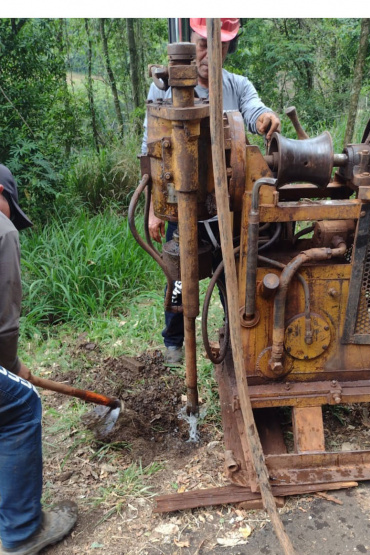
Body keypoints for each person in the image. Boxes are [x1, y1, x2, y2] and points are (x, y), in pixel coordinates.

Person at [141, 18, 281, 364]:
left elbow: (253, 110)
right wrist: (152, 209)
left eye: (218, 47)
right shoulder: (164, 89)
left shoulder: (237, 86)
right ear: (190, 42)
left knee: (229, 271)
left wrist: (263, 119)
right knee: (178, 277)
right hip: (180, 202)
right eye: (203, 44)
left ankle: (238, 335)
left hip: (225, 205)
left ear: (228, 48)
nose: (209, 54)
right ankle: (175, 343)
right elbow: (151, 149)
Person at [0, 155, 77, 554]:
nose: (10, 223)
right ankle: (24, 531)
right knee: (18, 408)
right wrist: (11, 369)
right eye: (11, 213)